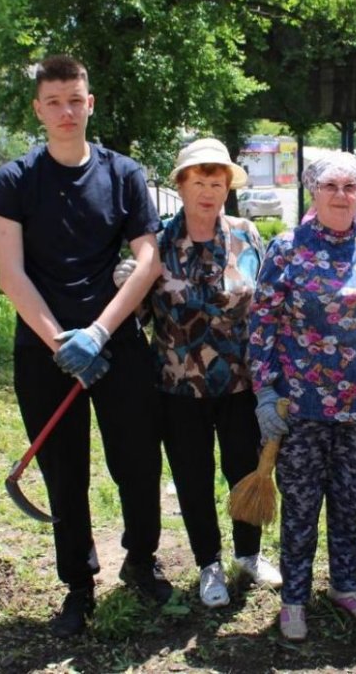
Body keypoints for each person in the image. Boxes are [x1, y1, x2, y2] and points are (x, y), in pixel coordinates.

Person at [0, 55, 171, 639]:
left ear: (90, 103)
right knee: (64, 472)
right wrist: (63, 342)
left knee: (138, 462)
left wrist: (99, 332)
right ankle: (78, 585)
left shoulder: (123, 174)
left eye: (75, 99)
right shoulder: (15, 181)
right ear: (38, 110)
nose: (66, 112)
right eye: (54, 102)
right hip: (45, 349)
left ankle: (141, 563)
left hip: (116, 345)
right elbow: (9, 274)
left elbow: (148, 259)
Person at [248, 152, 356, 641]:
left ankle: (345, 585)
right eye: (331, 186)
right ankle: (295, 598)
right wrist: (264, 392)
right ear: (312, 192)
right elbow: (261, 326)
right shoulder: (286, 248)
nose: (342, 195)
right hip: (302, 406)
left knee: (349, 501)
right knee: (301, 505)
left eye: (351, 186)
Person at [116, 138, 283, 608]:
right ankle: (208, 564)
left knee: (244, 469)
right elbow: (139, 316)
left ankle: (248, 555)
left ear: (227, 188)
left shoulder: (248, 235)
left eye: (217, 182)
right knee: (192, 475)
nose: (208, 192)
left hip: (240, 382)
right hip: (177, 385)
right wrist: (125, 281)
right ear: (181, 186)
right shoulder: (158, 245)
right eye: (199, 182)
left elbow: (266, 305)